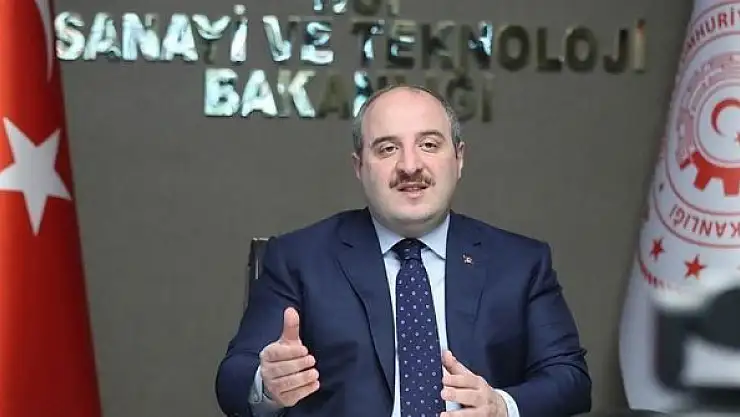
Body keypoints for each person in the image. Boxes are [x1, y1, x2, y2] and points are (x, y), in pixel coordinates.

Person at [215, 84, 592, 417]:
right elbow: (233, 378)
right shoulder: (299, 258)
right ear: (359, 166)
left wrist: (502, 407)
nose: (410, 166)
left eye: (429, 145)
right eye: (387, 148)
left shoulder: (520, 263)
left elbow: (570, 379)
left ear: (459, 158)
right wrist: (267, 383)